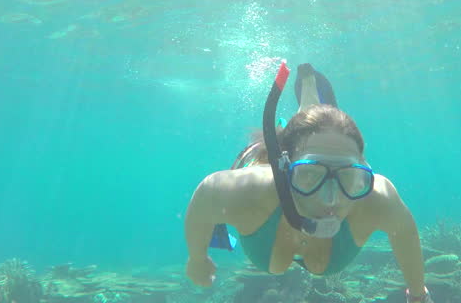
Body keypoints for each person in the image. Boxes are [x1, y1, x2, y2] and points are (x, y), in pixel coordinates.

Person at [184, 62, 433, 303]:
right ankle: (309, 104)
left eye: (348, 176)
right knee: (303, 137)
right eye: (310, 175)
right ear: (284, 171)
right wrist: (197, 258)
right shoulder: (250, 190)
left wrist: (418, 294)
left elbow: (405, 233)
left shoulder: (376, 197)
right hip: (267, 158)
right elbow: (208, 191)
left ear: (363, 170)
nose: (330, 198)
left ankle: (312, 111)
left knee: (316, 139)